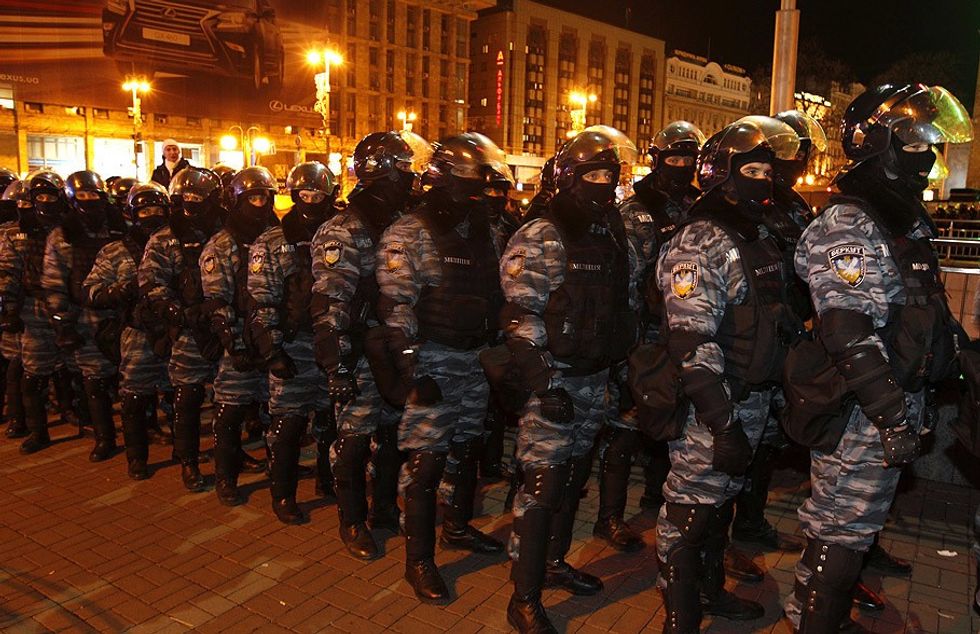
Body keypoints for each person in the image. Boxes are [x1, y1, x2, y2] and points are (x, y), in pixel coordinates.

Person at [782, 83, 973, 633]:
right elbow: (848, 331)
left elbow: (923, 311)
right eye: (912, 145)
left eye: (930, 145)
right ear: (879, 148)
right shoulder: (849, 224)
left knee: (851, 527)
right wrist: (891, 416)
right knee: (840, 530)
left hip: (895, 400)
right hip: (863, 411)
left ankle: (816, 613)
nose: (927, 157)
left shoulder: (904, 221)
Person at [654, 118, 804, 633]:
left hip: (753, 396)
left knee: (720, 505)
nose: (763, 180)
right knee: (691, 513)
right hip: (713, 404)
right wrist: (722, 424)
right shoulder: (700, 240)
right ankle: (680, 615)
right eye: (751, 169)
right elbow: (691, 341)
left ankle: (710, 592)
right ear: (722, 174)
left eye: (769, 169)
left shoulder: (756, 235)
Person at [498, 125, 639, 633]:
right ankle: (524, 597)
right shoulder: (542, 233)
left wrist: (622, 369)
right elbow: (520, 314)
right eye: (593, 174)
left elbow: (623, 304)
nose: (603, 184)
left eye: (610, 174)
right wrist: (543, 383)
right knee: (543, 485)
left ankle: (555, 562)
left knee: (575, 479)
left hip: (594, 377)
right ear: (569, 178)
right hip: (554, 381)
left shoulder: (612, 231)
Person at [376, 132, 507, 604]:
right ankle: (419, 560)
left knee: (467, 449)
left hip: (474, 361)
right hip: (432, 358)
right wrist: (412, 368)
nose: (482, 185)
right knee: (427, 464)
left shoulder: (485, 230)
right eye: (473, 174)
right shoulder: (409, 232)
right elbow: (396, 305)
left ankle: (456, 527)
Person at [312, 132, 428, 559]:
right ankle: (352, 520)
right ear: (379, 170)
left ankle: (382, 510)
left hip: (394, 347)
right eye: (401, 168)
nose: (408, 176)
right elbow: (330, 300)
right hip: (360, 350)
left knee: (393, 433)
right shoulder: (343, 229)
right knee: (355, 438)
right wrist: (336, 365)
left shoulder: (402, 221)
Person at [595, 120, 705, 554]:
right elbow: (629, 279)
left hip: (683, 330)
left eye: (687, 159)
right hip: (644, 333)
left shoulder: (698, 204)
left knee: (672, 419)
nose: (680, 167)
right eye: (672, 159)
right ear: (657, 160)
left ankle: (657, 499)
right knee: (625, 425)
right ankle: (609, 517)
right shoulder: (637, 210)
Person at [245, 163, 335, 521]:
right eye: (304, 194)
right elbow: (260, 297)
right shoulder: (271, 240)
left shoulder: (341, 233)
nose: (310, 201)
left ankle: (328, 481)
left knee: (333, 420)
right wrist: (272, 349)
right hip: (294, 343)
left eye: (318, 194)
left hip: (331, 342)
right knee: (288, 424)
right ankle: (282, 495)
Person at [139, 167, 223, 491]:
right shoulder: (164, 238)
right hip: (189, 330)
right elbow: (150, 281)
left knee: (229, 398)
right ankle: (187, 461)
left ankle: (231, 453)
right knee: (187, 397)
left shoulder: (223, 232)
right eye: (186, 200)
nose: (193, 206)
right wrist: (178, 314)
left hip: (220, 325)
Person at [83, 182, 171, 480]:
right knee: (134, 397)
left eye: (157, 210)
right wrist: (124, 289)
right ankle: (137, 457)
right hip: (137, 333)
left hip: (175, 330)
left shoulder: (178, 244)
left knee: (184, 394)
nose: (151, 216)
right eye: (145, 210)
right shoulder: (116, 251)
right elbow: (91, 290)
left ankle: (189, 456)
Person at [201, 166, 276, 509]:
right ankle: (225, 476)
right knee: (230, 411)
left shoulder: (277, 237)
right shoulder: (222, 244)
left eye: (266, 197)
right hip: (241, 342)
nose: (261, 204)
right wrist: (234, 341)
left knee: (276, 411)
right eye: (254, 198)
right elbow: (217, 299)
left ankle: (279, 470)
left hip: (272, 338)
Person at [43, 170, 121, 462]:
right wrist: (63, 322)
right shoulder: (63, 235)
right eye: (83, 196)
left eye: (94, 195)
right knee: (95, 379)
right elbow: (54, 283)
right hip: (86, 318)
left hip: (121, 313)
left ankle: (146, 427)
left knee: (132, 378)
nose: (89, 201)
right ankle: (105, 436)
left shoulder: (117, 227)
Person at [2, 170, 77, 453]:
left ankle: (72, 410)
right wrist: (7, 308)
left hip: (70, 307)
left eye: (50, 196)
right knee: (33, 373)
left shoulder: (71, 227)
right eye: (39, 197)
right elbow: (8, 272)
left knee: (72, 367)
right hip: (34, 310)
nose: (45, 202)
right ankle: (37, 429)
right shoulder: (18, 232)